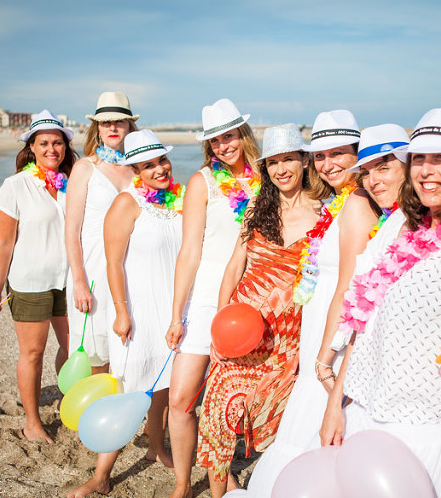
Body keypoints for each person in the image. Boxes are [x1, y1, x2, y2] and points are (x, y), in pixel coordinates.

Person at [320, 108, 441, 498]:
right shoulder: (404, 226)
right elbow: (362, 322)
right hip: (362, 415)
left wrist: (435, 413)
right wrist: (336, 405)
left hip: (419, 434)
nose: (425, 170)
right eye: (419, 158)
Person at [243, 123, 410, 496]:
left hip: (331, 336)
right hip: (319, 327)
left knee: (319, 420)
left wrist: (324, 355)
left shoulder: (357, 203)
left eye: (338, 153)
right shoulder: (337, 202)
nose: (328, 163)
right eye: (320, 155)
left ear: (356, 156)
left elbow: (351, 286)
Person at [196, 123, 322, 498]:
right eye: (273, 163)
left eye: (288, 160)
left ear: (303, 160)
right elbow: (235, 265)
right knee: (218, 415)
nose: (281, 169)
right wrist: (220, 325)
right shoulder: (257, 206)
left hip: (285, 338)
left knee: (279, 421)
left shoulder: (325, 212)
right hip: (239, 326)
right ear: (265, 169)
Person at [67, 130, 182, 498]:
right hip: (137, 308)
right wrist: (121, 312)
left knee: (162, 383)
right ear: (135, 169)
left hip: (172, 307)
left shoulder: (177, 200)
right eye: (149, 165)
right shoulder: (126, 203)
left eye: (162, 160)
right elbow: (113, 263)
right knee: (128, 385)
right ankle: (101, 475)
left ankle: (156, 446)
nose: (159, 169)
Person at [166, 99, 261, 498]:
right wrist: (176, 315)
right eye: (216, 140)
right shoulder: (202, 182)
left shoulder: (267, 178)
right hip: (206, 300)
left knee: (233, 402)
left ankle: (223, 474)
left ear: (243, 134)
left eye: (229, 135)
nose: (224, 145)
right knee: (181, 398)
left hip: (253, 300)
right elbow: (189, 251)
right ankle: (183, 484)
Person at [0, 110, 78, 443]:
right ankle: (32, 422)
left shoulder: (72, 184)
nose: (52, 149)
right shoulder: (15, 186)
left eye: (58, 143)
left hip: (70, 280)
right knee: (33, 353)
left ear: (66, 146)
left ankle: (72, 402)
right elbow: (3, 242)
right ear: (32, 148)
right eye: (44, 143)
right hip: (30, 282)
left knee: (74, 349)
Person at [65, 92, 138, 375]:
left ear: (129, 127)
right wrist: (79, 280)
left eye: (119, 121)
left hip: (130, 271)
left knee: (126, 347)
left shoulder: (138, 169)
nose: (113, 128)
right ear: (97, 128)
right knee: (94, 353)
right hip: (93, 271)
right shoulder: (85, 168)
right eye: (106, 122)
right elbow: (71, 231)